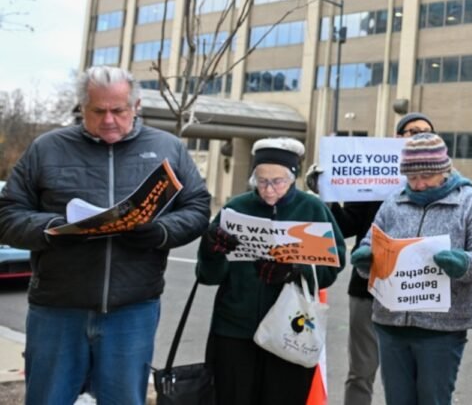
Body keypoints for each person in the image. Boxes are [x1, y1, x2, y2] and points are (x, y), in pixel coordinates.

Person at [0, 66, 212, 405]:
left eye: (119, 110)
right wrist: (52, 229)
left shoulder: (167, 148)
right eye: (99, 111)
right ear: (82, 107)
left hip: (133, 308)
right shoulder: (47, 148)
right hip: (57, 307)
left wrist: (161, 231)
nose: (109, 119)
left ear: (136, 106)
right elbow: (7, 215)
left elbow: (198, 207)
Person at [196, 138, 346, 404]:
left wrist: (294, 271)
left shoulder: (312, 209)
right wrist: (210, 251)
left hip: (290, 331)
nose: (268, 190)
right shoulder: (236, 208)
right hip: (235, 329)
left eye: (277, 182)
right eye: (262, 181)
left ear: (292, 178)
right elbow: (209, 277)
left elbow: (332, 267)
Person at [351, 133, 472, 405]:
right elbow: (371, 243)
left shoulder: (468, 201)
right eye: (411, 178)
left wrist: (464, 263)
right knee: (397, 400)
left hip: (442, 329)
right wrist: (365, 260)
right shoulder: (393, 201)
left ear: (444, 170)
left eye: (426, 177)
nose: (418, 185)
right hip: (390, 324)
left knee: (433, 399)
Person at [330, 112, 436, 405]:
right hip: (368, 288)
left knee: (412, 376)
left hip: (417, 289)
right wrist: (326, 194)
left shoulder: (442, 183)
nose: (417, 136)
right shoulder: (370, 178)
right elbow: (345, 225)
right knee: (361, 372)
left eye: (425, 132)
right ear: (396, 138)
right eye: (411, 131)